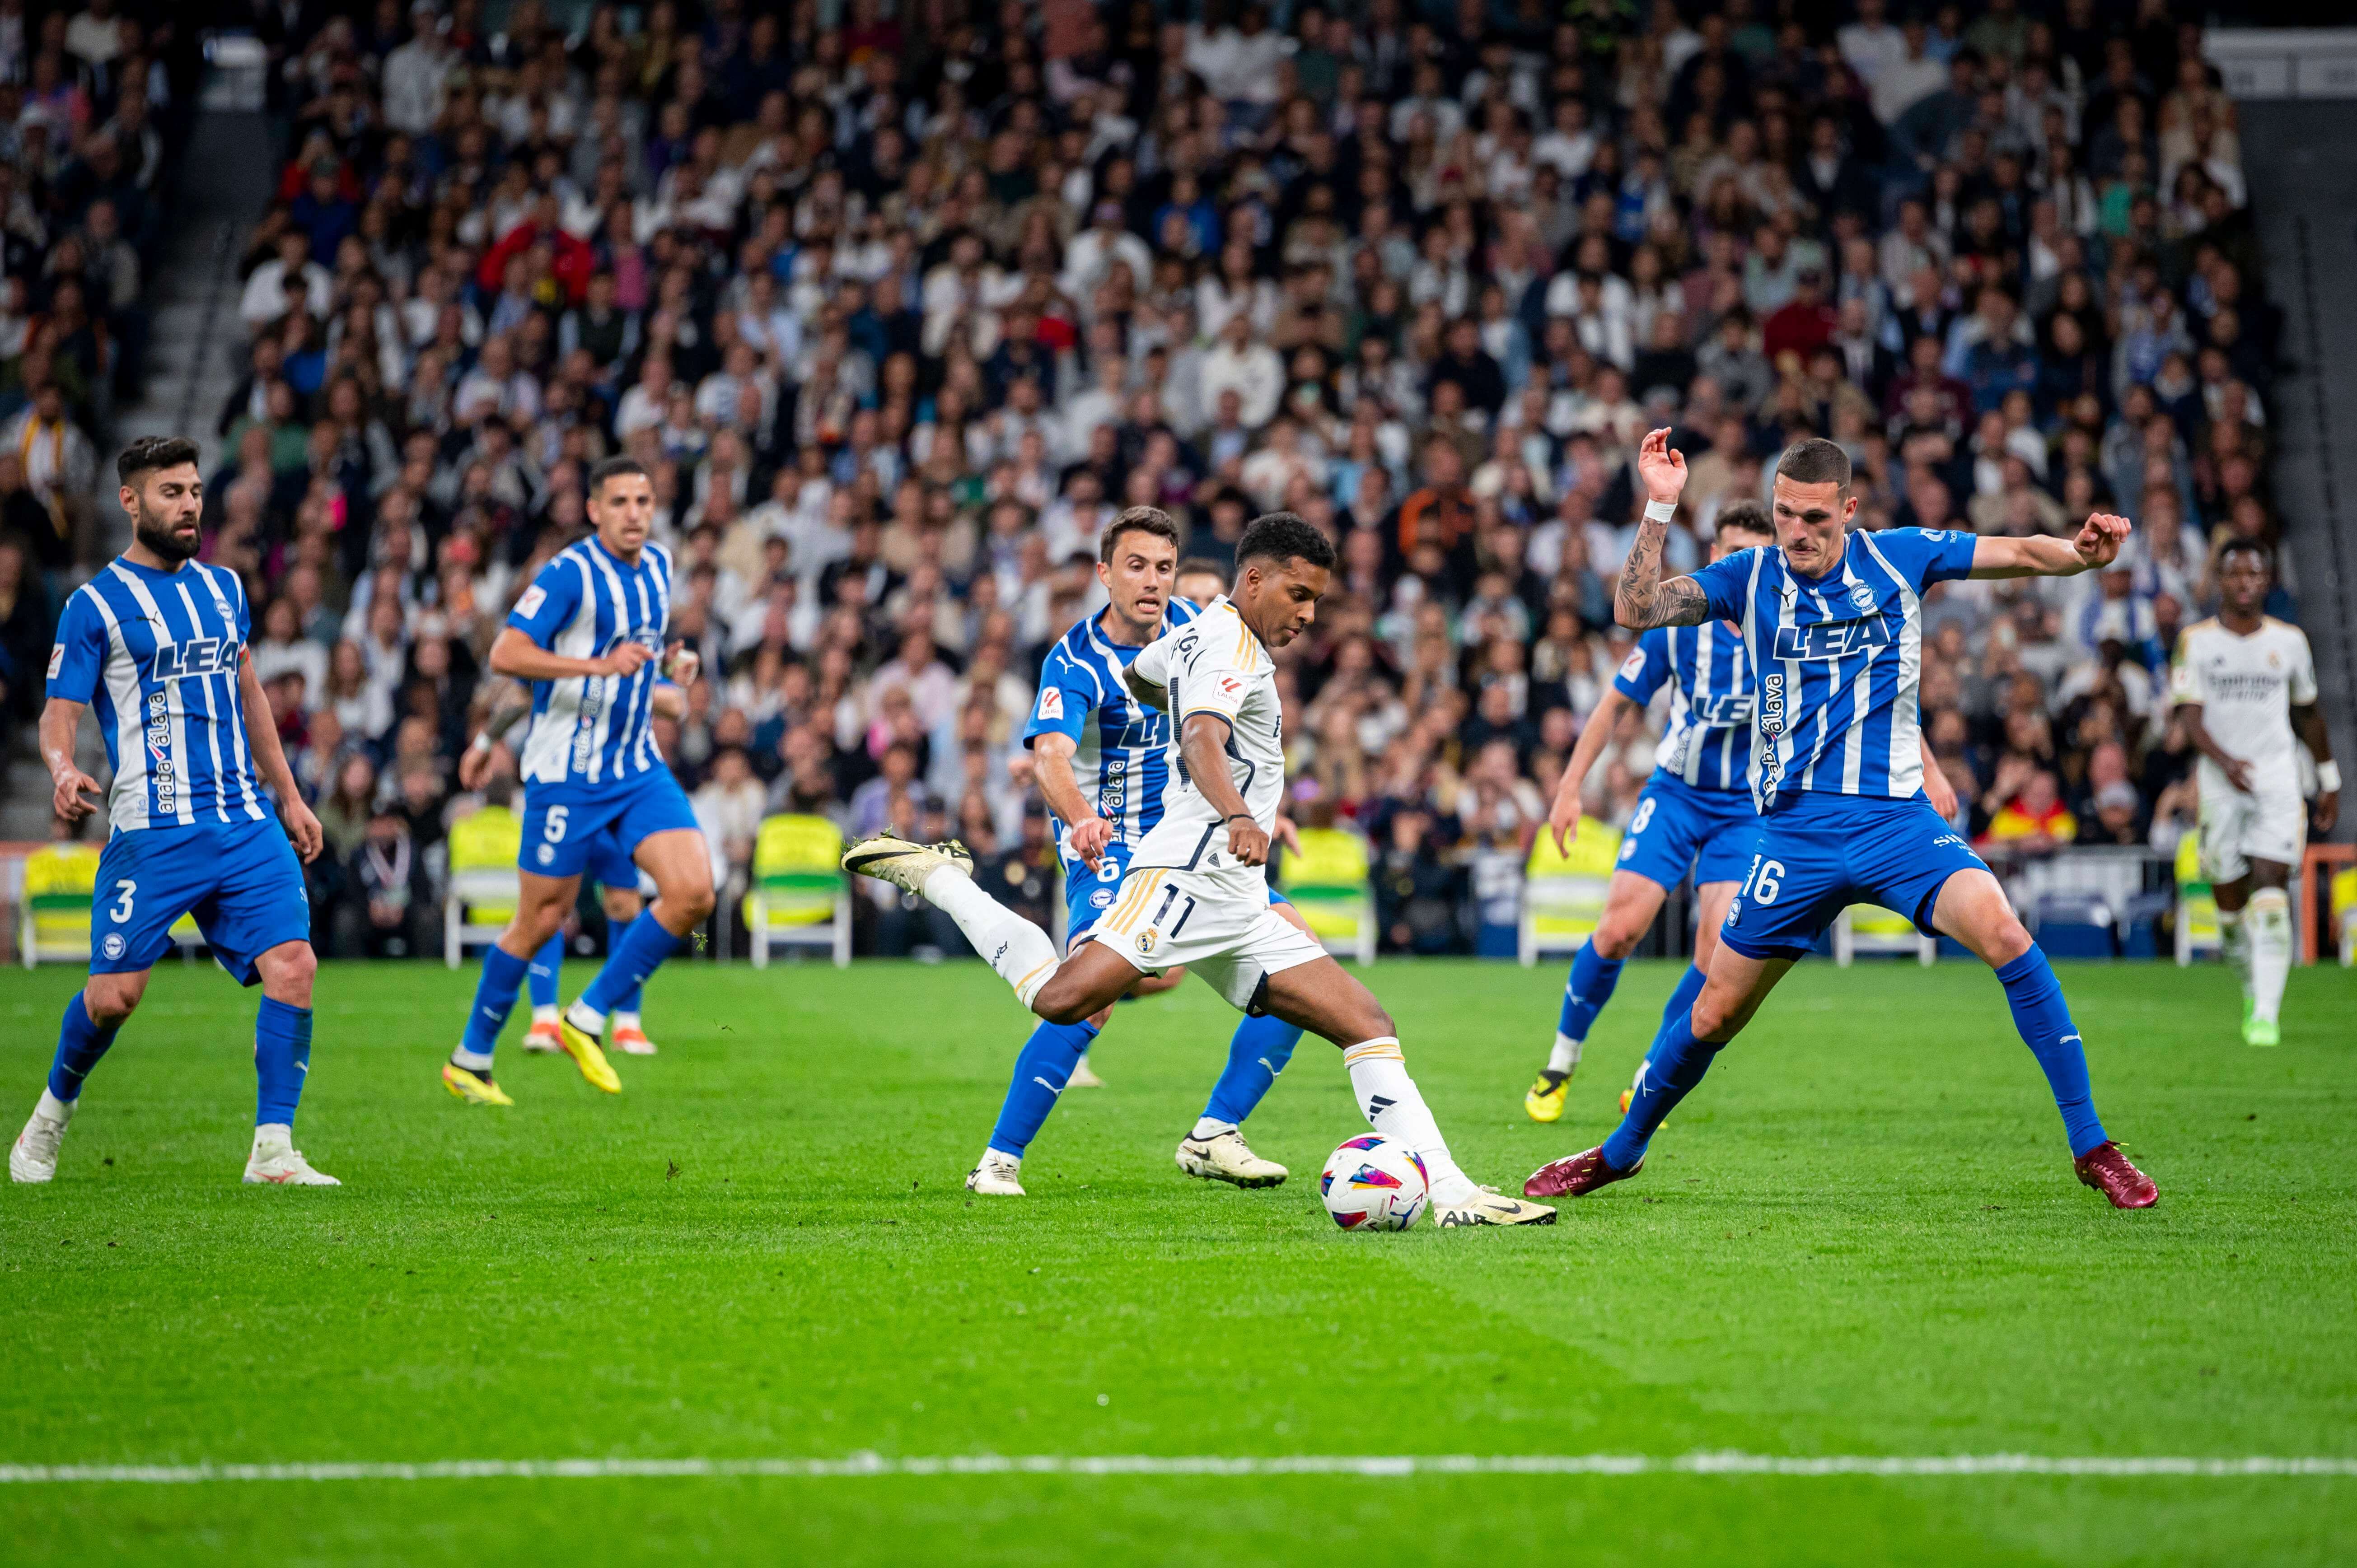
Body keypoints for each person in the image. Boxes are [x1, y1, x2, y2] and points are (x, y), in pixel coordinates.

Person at [845, 513, 1554, 1227]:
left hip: (1233, 892)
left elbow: (1146, 679)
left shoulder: (1200, 628)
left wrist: (1241, 791)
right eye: (1299, 596)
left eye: (1316, 601)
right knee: (1064, 1001)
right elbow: (1197, 735)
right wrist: (1240, 814)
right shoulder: (1214, 645)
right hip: (1179, 876)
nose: (1309, 615)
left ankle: (1451, 1195)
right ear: (1254, 581)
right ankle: (943, 883)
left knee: (1366, 1022)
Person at [1527, 433, 2159, 1211]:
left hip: (1895, 823)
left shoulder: (1899, 556)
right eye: (1784, 514)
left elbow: (2021, 553)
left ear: (1848, 511)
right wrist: (1659, 503)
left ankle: (2092, 1146)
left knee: (2004, 935)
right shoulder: (1747, 576)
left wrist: (2081, 554)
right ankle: (1620, 1153)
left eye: (1814, 517)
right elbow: (1634, 609)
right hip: (1792, 836)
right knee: (1713, 1010)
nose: (1796, 531)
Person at [1529, 500, 1961, 1122]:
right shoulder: (1680, 630)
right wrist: (1570, 787)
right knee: (1621, 927)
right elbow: (1612, 706)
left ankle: (1650, 1068)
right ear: (1713, 556)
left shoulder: (1798, 626)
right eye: (1728, 550)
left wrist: (1933, 768)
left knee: (1713, 956)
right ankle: (1560, 1062)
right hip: (1675, 794)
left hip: (1747, 809)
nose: (1740, 562)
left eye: (1753, 551)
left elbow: (1873, 695)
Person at [12, 438, 334, 1186]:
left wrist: (287, 793)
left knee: (294, 965)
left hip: (243, 820)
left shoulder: (224, 588)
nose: (190, 504)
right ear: (131, 502)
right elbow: (59, 713)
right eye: (171, 493)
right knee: (113, 997)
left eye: (194, 490)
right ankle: (52, 1113)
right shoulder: (93, 606)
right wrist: (62, 768)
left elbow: (247, 688)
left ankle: (273, 1151)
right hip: (153, 830)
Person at [971, 506, 1312, 1198]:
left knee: (1298, 965)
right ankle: (998, 1161)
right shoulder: (1073, 661)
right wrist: (1079, 818)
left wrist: (1266, 810)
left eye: (1163, 567)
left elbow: (1239, 721)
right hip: (1116, 850)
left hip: (1193, 842)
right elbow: (1052, 755)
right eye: (1135, 566)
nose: (1152, 581)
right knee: (1091, 998)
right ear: (1104, 575)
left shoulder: (1196, 626)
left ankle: (1215, 1133)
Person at [440, 457, 716, 1106]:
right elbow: (506, 655)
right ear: (594, 510)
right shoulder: (568, 574)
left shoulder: (660, 565)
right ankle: (470, 1060)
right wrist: (495, 733)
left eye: (643, 500)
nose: (633, 513)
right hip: (566, 776)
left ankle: (587, 1017)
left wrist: (672, 666)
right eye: (619, 501)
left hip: (636, 767)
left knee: (693, 893)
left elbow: (641, 656)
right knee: (540, 919)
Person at [2167, 541, 2338, 1046]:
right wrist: (2224, 763)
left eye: (2254, 574)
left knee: (2270, 888)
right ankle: (2250, 987)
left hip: (2278, 779)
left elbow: (2307, 712)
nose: (2244, 582)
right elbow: (2189, 716)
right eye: (2235, 573)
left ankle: (2265, 1013)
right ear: (2220, 580)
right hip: (2220, 784)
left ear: (2267, 581)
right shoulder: (2195, 642)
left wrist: (2328, 779)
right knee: (2228, 906)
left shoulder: (2289, 642)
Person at [459, 674, 680, 1056]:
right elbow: (516, 694)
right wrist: (485, 742)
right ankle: (544, 1018)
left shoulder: (634, 640)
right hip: (561, 789)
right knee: (545, 910)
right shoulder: (558, 641)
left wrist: (635, 680)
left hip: (617, 792)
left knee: (625, 904)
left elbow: (675, 704)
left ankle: (626, 1023)